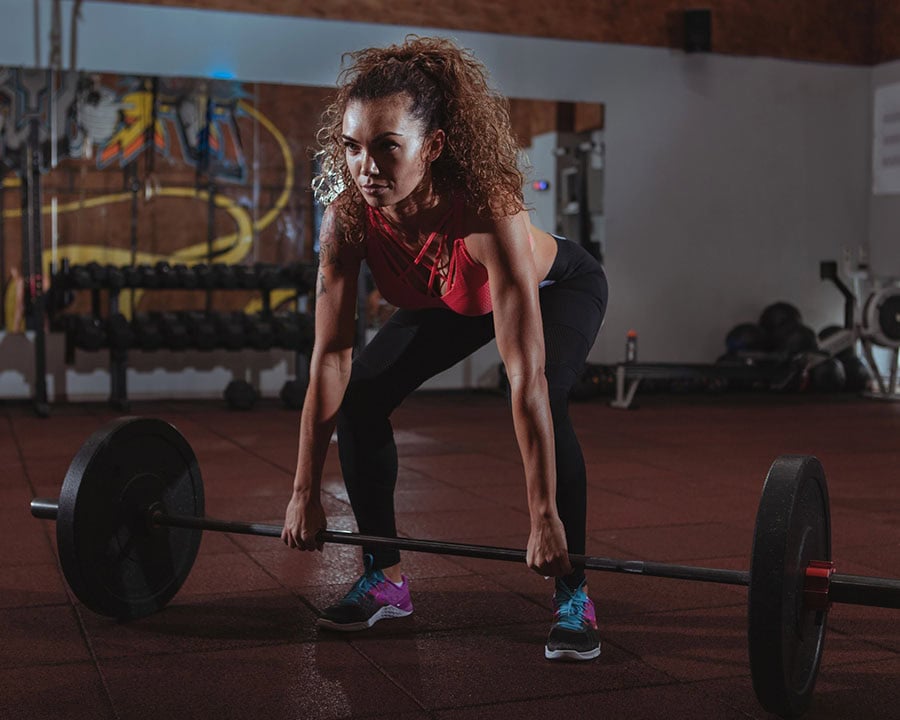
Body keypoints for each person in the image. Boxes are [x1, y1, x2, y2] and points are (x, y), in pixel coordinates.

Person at [281, 35, 608, 661]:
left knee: (553, 398)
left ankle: (574, 592)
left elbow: (526, 378)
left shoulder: (488, 209)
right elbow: (330, 357)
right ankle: (385, 577)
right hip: (453, 301)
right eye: (351, 147)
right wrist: (304, 491)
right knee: (363, 398)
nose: (366, 167)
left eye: (386, 147)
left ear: (432, 147)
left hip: (557, 287)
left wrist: (541, 513)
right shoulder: (347, 219)